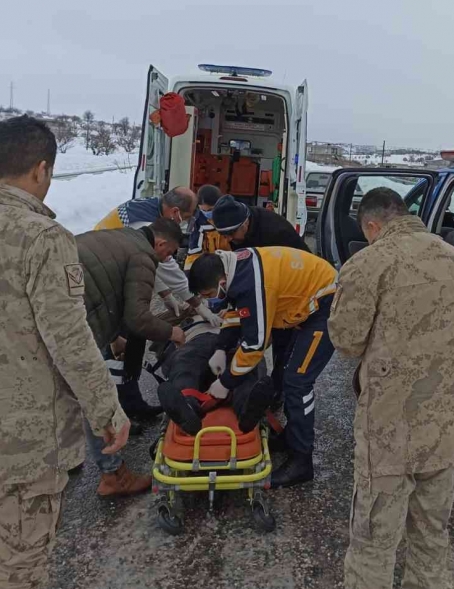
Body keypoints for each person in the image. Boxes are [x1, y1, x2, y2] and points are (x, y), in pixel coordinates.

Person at [0, 116, 128, 589]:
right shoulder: (42, 238)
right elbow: (70, 340)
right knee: (17, 565)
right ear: (40, 170)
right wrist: (108, 411)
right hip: (24, 439)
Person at [305, 188, 454, 589]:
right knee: (432, 523)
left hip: (394, 425)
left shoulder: (370, 263)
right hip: (453, 419)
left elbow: (345, 341)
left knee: (374, 532)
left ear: (370, 226)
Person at [176, 246, 337, 487]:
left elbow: (254, 345)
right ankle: (291, 438)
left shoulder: (252, 284)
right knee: (283, 372)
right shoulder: (232, 267)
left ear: (220, 281)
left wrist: (226, 382)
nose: (209, 300)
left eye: (209, 293)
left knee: (298, 382)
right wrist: (221, 347)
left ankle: (302, 462)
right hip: (305, 299)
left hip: (326, 306)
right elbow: (236, 312)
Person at [76, 217, 187, 496]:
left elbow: (101, 286)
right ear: (160, 243)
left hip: (58, 311)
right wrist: (173, 333)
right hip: (71, 325)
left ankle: (62, 459)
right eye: (170, 252)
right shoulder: (144, 255)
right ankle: (113, 476)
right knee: (95, 395)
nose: (167, 258)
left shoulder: (124, 236)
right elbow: (137, 318)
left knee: (60, 393)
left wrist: (113, 337)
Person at [185, 193, 311, 412]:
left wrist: (226, 382)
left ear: (245, 223)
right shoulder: (238, 234)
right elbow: (239, 280)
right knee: (252, 327)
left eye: (232, 234)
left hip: (295, 294)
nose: (230, 239)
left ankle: (278, 395)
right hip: (268, 285)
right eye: (225, 235)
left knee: (285, 350)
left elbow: (257, 335)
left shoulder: (275, 232)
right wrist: (222, 346)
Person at [95, 186, 204, 414]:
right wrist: (196, 304)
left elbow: (152, 262)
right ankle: (114, 414)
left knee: (132, 341)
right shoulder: (143, 225)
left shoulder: (152, 211)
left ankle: (132, 404)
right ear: (175, 212)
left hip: (115, 272)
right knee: (116, 349)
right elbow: (163, 264)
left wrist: (166, 296)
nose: (184, 222)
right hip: (105, 281)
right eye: (185, 217)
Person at [184, 184, 222, 271]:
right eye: (203, 210)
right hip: (211, 266)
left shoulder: (231, 217)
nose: (207, 213)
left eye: (210, 210)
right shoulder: (197, 222)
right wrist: (189, 273)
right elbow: (194, 251)